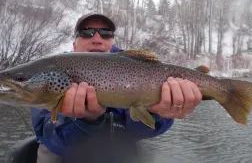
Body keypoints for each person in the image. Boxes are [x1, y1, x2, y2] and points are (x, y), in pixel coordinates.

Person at [31, 12, 202, 163]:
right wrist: (86, 122)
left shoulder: (130, 72)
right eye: (86, 32)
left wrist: (155, 113)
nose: (97, 39)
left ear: (112, 43)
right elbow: (48, 135)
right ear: (74, 45)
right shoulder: (53, 71)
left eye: (105, 33)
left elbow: (138, 131)